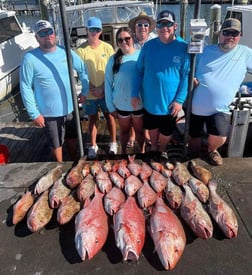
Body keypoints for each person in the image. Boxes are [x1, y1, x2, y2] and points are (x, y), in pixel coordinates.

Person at [20, 20, 89, 163]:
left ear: (54, 33)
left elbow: (82, 70)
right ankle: (60, 166)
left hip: (71, 108)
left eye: (49, 32)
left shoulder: (66, 52)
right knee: (56, 143)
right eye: (42, 33)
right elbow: (25, 87)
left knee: (72, 137)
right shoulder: (29, 58)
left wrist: (85, 91)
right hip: (49, 113)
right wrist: (34, 113)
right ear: (37, 38)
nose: (47, 36)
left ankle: (75, 160)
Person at [189, 18, 252, 165]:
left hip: (220, 108)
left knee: (220, 137)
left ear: (240, 35)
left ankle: (212, 150)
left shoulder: (245, 53)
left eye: (234, 33)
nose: (230, 36)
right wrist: (190, 78)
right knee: (193, 139)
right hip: (196, 105)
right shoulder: (204, 50)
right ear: (220, 33)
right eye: (226, 32)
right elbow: (189, 68)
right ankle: (193, 156)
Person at [131, 10, 190, 159]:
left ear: (175, 26)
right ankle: (154, 147)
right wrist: (134, 93)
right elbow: (138, 71)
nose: (165, 27)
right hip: (150, 100)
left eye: (168, 24)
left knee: (167, 130)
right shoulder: (148, 46)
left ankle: (162, 148)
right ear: (156, 27)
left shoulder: (183, 47)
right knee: (152, 126)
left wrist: (180, 100)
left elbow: (186, 76)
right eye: (161, 24)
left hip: (171, 103)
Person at [76, 17, 118, 159]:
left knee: (110, 117)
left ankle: (113, 142)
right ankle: (93, 145)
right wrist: (92, 88)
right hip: (90, 92)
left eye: (97, 29)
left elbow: (112, 71)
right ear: (87, 31)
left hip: (106, 91)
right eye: (91, 29)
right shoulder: (81, 51)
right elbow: (81, 72)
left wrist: (103, 88)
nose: (94, 32)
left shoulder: (108, 47)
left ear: (101, 31)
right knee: (92, 119)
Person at [105, 27, 145, 154]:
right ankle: (123, 154)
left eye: (127, 38)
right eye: (120, 40)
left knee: (140, 131)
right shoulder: (113, 59)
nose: (124, 42)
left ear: (132, 38)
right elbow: (107, 84)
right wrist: (111, 107)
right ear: (117, 42)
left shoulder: (141, 55)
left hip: (140, 103)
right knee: (124, 131)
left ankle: (142, 153)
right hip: (121, 104)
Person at [128, 11, 156, 149]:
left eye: (146, 25)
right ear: (135, 27)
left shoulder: (156, 41)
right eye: (139, 24)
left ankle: (147, 134)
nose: (143, 27)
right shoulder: (128, 41)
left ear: (149, 27)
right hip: (133, 81)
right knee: (135, 110)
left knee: (147, 109)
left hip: (150, 83)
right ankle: (133, 135)